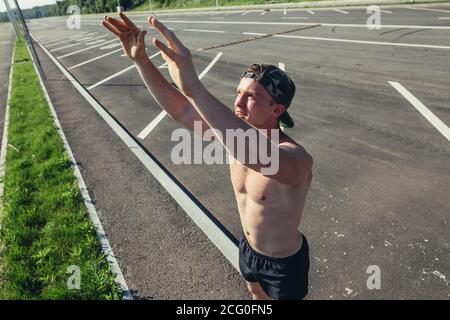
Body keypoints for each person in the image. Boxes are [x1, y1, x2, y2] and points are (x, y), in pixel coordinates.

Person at [102, 12, 314, 300]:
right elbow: (182, 111)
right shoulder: (234, 137)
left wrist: (194, 88)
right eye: (238, 91)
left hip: (283, 265)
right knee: (255, 296)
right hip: (248, 250)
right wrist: (141, 61)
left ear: (277, 110)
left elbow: (260, 156)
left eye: (250, 96)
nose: (237, 101)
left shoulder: (296, 159)